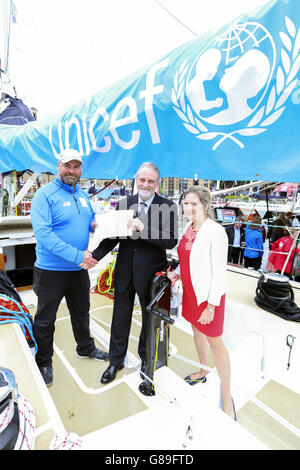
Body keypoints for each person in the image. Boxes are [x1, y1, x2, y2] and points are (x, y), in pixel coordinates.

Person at [88, 162, 178, 384]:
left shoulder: (167, 207)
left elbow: (170, 240)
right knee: (119, 318)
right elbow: (113, 237)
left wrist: (142, 228)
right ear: (136, 181)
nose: (145, 184)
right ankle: (115, 361)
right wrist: (95, 256)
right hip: (125, 272)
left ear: (157, 184)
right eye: (142, 180)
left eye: (150, 181)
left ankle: (147, 360)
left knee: (150, 322)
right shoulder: (124, 203)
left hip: (151, 275)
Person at [30, 148, 109, 387]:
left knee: (82, 311)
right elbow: (43, 234)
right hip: (51, 270)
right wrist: (78, 256)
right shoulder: (44, 195)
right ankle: (44, 362)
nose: (72, 171)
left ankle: (85, 347)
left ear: (81, 170)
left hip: (78, 270)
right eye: (68, 166)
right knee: (45, 319)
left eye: (76, 167)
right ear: (58, 166)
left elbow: (91, 221)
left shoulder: (83, 195)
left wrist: (99, 226)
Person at [168, 186, 236, 420]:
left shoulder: (215, 232)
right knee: (196, 331)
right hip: (190, 294)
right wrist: (176, 272)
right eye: (186, 203)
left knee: (216, 343)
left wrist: (211, 306)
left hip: (208, 298)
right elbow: (186, 258)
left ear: (206, 206)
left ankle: (226, 395)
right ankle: (203, 369)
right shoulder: (188, 228)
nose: (188, 208)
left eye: (194, 204)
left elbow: (219, 272)